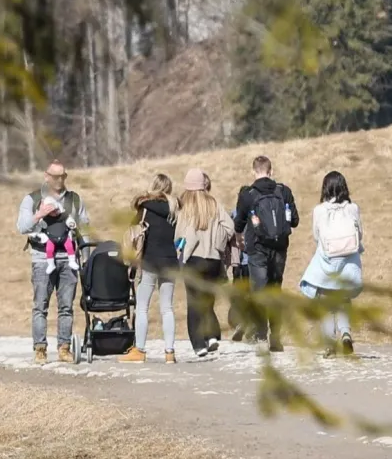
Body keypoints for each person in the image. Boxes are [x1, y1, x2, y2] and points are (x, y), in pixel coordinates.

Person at [17, 160, 90, 364]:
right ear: (46, 176)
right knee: (40, 305)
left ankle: (64, 348)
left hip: (68, 259)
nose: (59, 180)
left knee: (66, 306)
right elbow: (22, 227)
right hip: (42, 259)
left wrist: (86, 258)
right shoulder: (32, 199)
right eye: (55, 176)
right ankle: (40, 349)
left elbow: (84, 228)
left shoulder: (75, 200)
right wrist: (40, 214)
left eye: (63, 176)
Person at [233, 156, 299, 350]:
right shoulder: (284, 191)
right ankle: (276, 337)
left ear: (254, 171)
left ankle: (261, 334)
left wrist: (239, 239)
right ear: (271, 171)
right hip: (279, 248)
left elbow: (238, 224)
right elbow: (294, 221)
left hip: (257, 249)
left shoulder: (248, 194)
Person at [300, 171, 364, 356]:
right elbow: (359, 235)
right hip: (349, 262)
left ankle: (329, 342)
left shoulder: (319, 210)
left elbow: (316, 236)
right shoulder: (353, 208)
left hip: (327, 262)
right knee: (344, 301)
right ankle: (345, 333)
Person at [176, 168, 234, 359]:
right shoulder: (214, 204)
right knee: (208, 302)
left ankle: (198, 344)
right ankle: (211, 337)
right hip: (213, 260)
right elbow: (230, 227)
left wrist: (180, 255)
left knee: (194, 304)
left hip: (193, 260)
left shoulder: (186, 207)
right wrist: (218, 242)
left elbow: (182, 236)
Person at [122, 174, 177, 364]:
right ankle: (169, 352)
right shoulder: (175, 210)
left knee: (142, 306)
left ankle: (140, 350)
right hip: (171, 261)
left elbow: (131, 230)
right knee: (167, 308)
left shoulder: (144, 208)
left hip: (150, 261)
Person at [30, 197, 80, 275]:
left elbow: (70, 221)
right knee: (49, 249)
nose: (54, 213)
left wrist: (71, 224)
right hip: (51, 238)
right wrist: (36, 234)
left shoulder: (64, 216)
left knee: (70, 246)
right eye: (51, 212)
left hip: (64, 236)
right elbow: (38, 227)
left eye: (55, 210)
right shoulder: (44, 219)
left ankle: (72, 261)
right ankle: (51, 264)